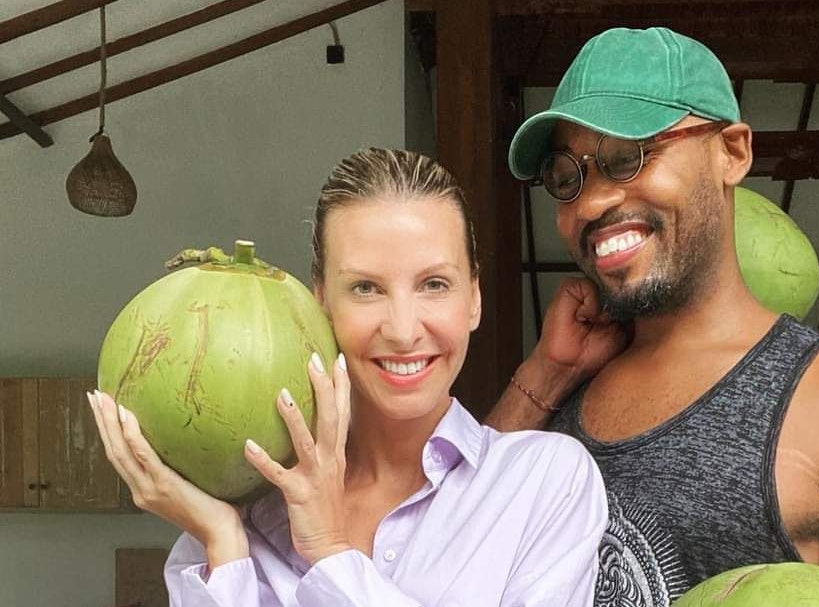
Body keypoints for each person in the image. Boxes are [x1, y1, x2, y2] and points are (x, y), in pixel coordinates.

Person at [486, 27, 819, 607]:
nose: (592, 202)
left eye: (628, 157)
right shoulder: (562, 384)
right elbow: (453, 549)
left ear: (731, 153)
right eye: (566, 177)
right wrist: (547, 376)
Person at [88, 148, 607, 606]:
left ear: (473, 297)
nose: (404, 331)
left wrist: (330, 552)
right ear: (320, 303)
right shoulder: (242, 522)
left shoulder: (543, 483)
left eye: (433, 284)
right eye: (365, 288)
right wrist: (223, 540)